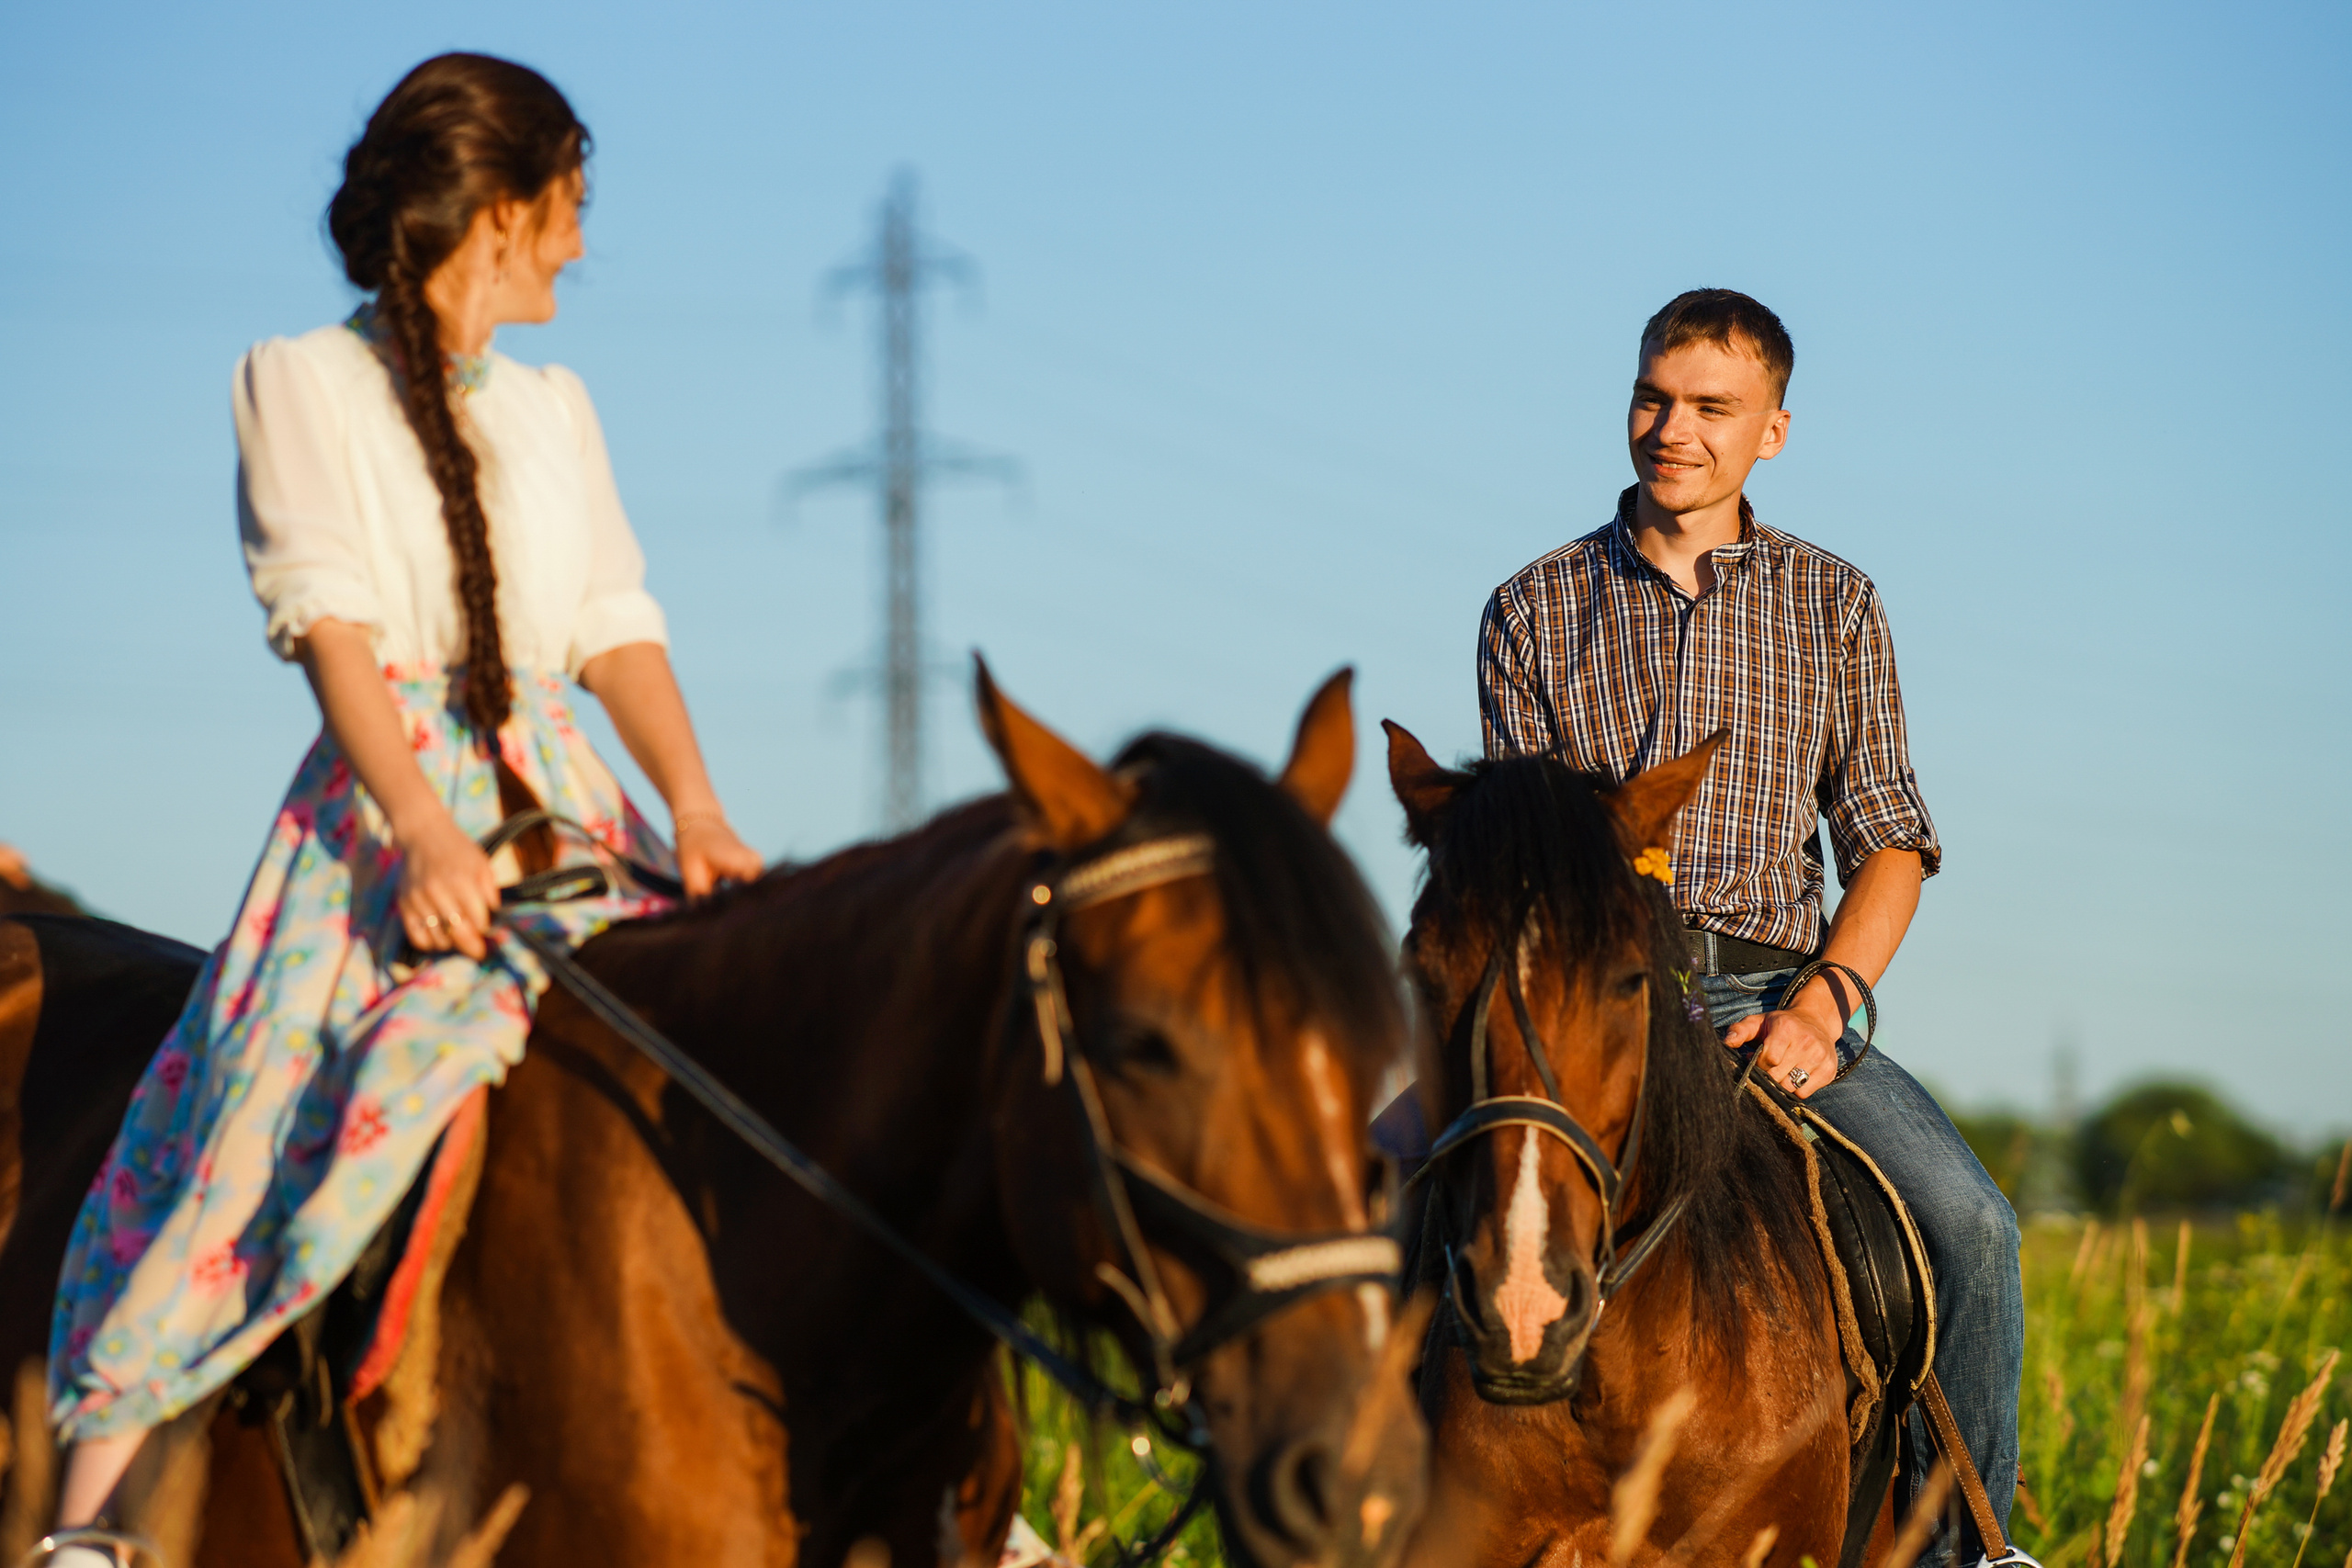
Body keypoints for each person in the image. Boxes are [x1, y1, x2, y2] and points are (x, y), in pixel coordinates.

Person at [41, 53, 763, 1556]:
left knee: (746, 1063)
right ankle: (92, 1524)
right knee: (245, 1125)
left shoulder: (558, 408)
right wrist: (425, 834)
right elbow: (335, 634)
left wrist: (691, 806)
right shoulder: (301, 383)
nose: (580, 239)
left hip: (566, 802)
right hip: (385, 815)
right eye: (569, 203)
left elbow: (615, 626)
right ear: (500, 211)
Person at [1476, 290, 2027, 1567]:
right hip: (1596, 1005)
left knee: (1974, 1223)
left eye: (1711, 408)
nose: (1674, 429)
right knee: (1388, 1197)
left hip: (1785, 998)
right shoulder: (1530, 609)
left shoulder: (1835, 602)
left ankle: (1972, 1552)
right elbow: (1528, 864)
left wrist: (1825, 1009)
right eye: (1653, 397)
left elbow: (1888, 839)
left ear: (1772, 430)